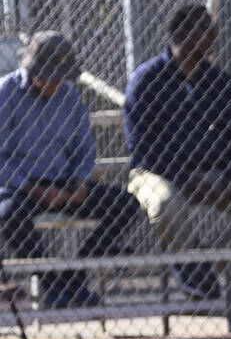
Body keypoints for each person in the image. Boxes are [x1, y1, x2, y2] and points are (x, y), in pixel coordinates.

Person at [124, 5, 231, 300]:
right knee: (166, 205)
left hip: (214, 175)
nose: (214, 36)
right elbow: (143, 148)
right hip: (155, 174)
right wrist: (185, 180)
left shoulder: (218, 81)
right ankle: (192, 267)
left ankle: (203, 266)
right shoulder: (147, 80)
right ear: (181, 36)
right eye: (206, 31)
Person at [0, 31, 141, 308]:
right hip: (21, 186)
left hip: (66, 183)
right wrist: (33, 188)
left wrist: (79, 182)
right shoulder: (6, 93)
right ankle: (52, 283)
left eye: (60, 76)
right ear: (32, 68)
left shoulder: (69, 95)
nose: (55, 83)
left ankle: (73, 279)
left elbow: (85, 147)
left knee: (125, 205)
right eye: (49, 76)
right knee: (8, 216)